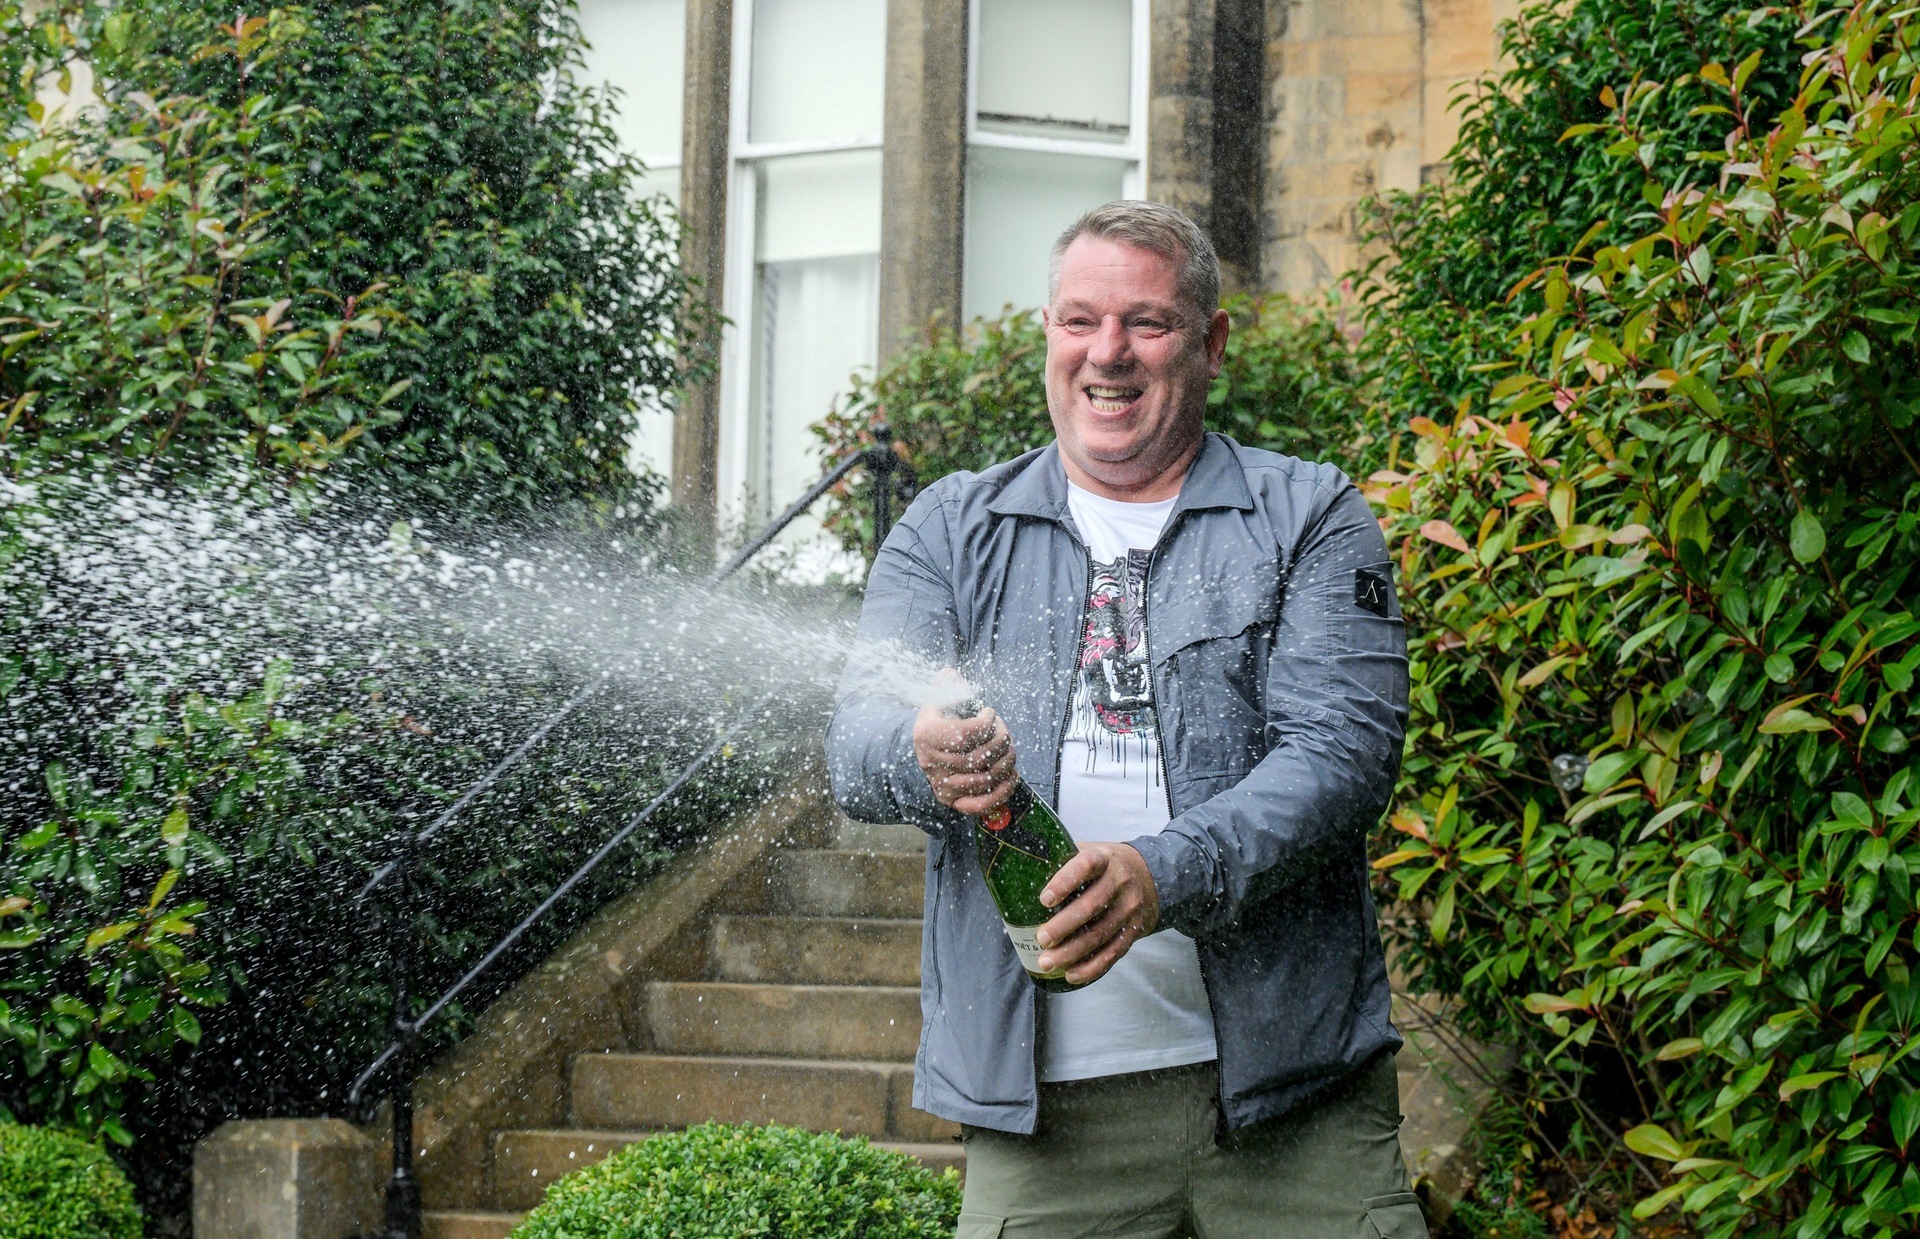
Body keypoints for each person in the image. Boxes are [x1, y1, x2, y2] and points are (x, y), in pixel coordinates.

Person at [826, 200, 1422, 1239]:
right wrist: (919, 756)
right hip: (1049, 1119)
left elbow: (1345, 753)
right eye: (1079, 321)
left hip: (1295, 1104)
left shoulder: (1308, 516)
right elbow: (853, 749)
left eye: (1146, 323)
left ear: (1210, 343)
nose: (1109, 353)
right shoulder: (951, 531)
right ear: (1048, 336)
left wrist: (1162, 874)